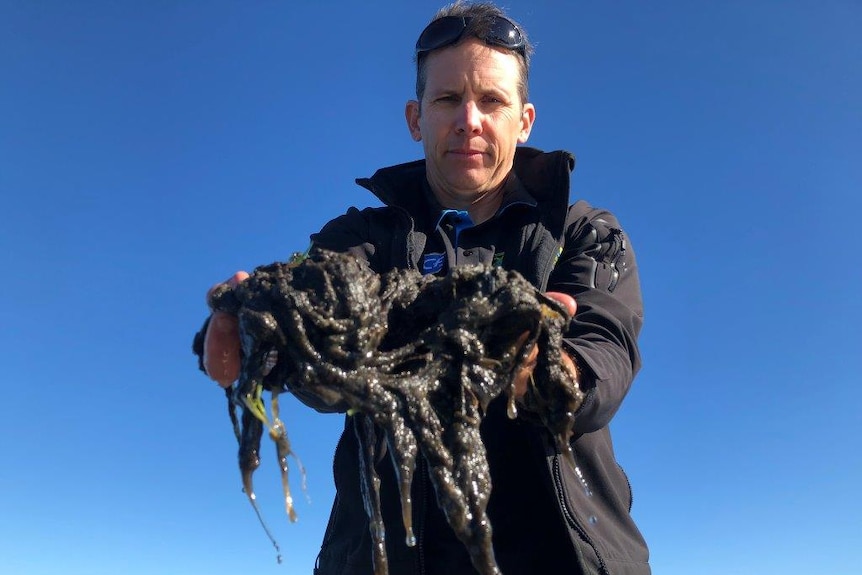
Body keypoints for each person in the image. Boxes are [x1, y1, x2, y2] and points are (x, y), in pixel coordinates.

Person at [201, 2, 650, 574]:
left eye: (492, 100)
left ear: (524, 119)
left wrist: (550, 366)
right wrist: (273, 333)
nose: (469, 120)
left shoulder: (585, 233)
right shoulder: (360, 238)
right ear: (416, 119)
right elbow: (326, 349)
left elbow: (604, 356)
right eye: (447, 100)